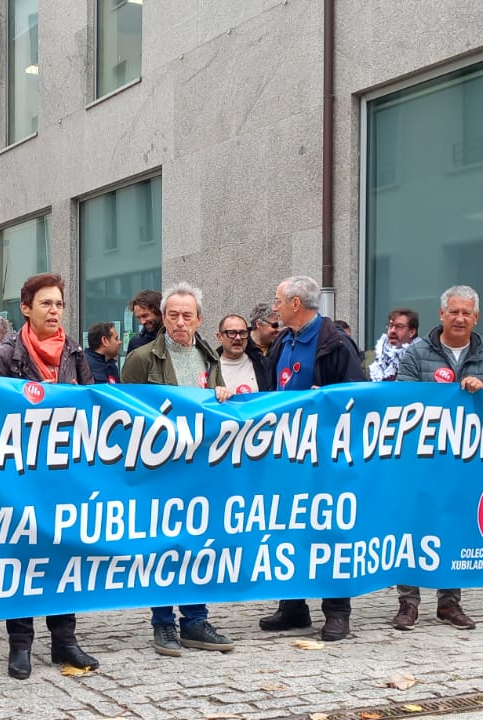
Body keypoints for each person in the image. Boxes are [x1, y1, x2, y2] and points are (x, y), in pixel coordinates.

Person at [0, 273, 101, 679]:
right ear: (26, 309)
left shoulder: (74, 352)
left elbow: (91, 404)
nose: (54, 311)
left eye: (59, 304)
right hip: (22, 473)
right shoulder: (7, 355)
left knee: (64, 554)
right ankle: (20, 644)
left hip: (65, 472)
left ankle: (64, 640)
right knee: (22, 557)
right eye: (46, 304)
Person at [120, 283, 237, 656]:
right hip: (159, 470)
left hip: (200, 470)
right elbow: (124, 415)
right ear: (163, 318)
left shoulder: (209, 358)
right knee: (161, 546)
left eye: (187, 315)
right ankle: (163, 623)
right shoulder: (141, 359)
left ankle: (195, 620)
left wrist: (222, 395)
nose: (180, 322)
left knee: (197, 544)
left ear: (199, 319)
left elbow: (217, 409)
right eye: (173, 315)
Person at [390, 287, 483, 632]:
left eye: (466, 313)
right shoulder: (417, 352)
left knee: (454, 526)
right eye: (453, 312)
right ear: (441, 315)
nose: (460, 318)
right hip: (421, 459)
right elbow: (401, 396)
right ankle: (408, 603)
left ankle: (449, 602)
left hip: (464, 462)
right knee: (413, 527)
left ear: (476, 318)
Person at [259, 276, 365, 641]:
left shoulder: (335, 343)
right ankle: (293, 606)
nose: (274, 307)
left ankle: (337, 611)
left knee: (329, 531)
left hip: (325, 457)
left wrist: (330, 399)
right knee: (288, 527)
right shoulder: (283, 341)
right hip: (287, 454)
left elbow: (357, 397)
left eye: (278, 300)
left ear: (295, 304)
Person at [215, 314, 269, 393]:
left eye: (242, 333)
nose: (238, 338)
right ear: (220, 337)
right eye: (231, 333)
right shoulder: (210, 367)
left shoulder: (262, 363)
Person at [367, 308, 419, 381]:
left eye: (399, 326)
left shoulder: (420, 358)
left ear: (412, 332)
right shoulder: (373, 359)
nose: (392, 331)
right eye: (390, 326)